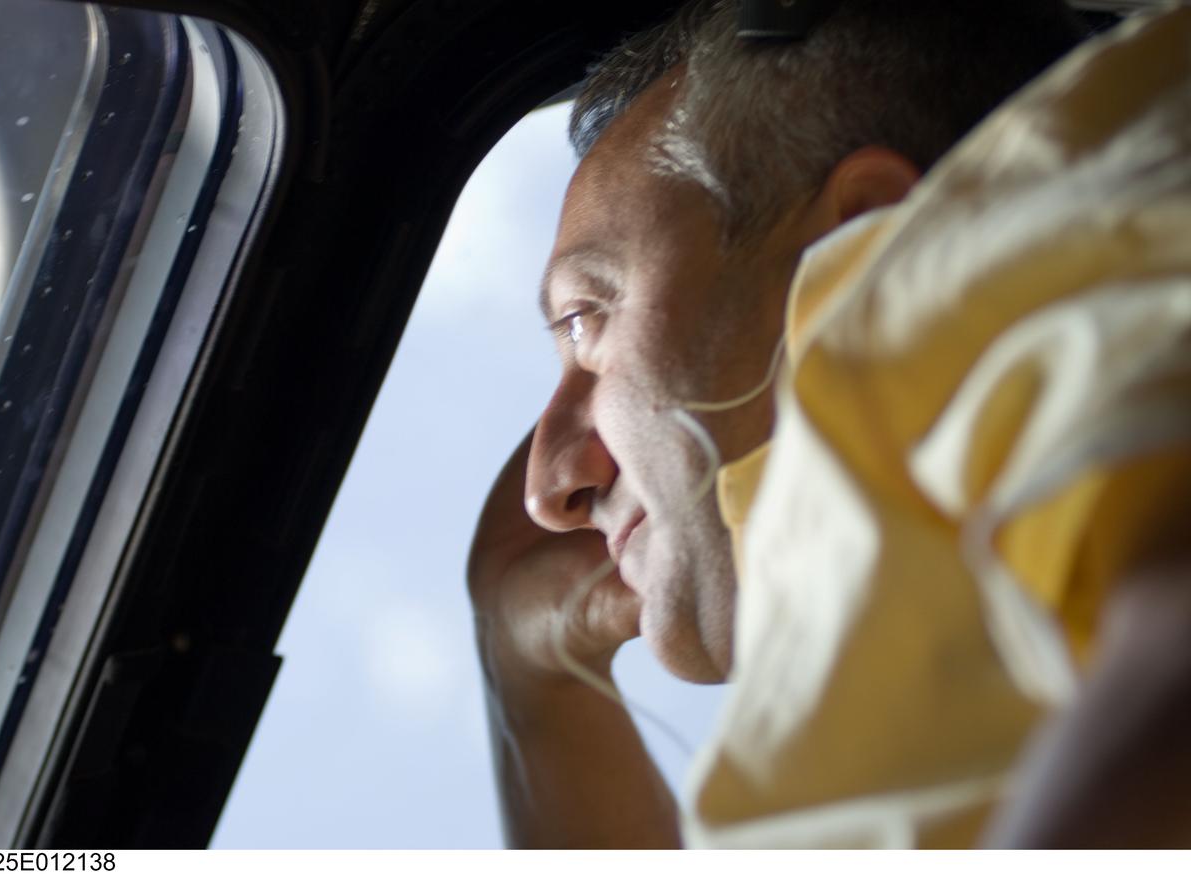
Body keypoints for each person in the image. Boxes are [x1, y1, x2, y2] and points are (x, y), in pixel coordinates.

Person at [467, 0, 1191, 848]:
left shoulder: (1057, 286)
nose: (550, 482)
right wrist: (534, 673)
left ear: (859, 239)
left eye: (588, 319)